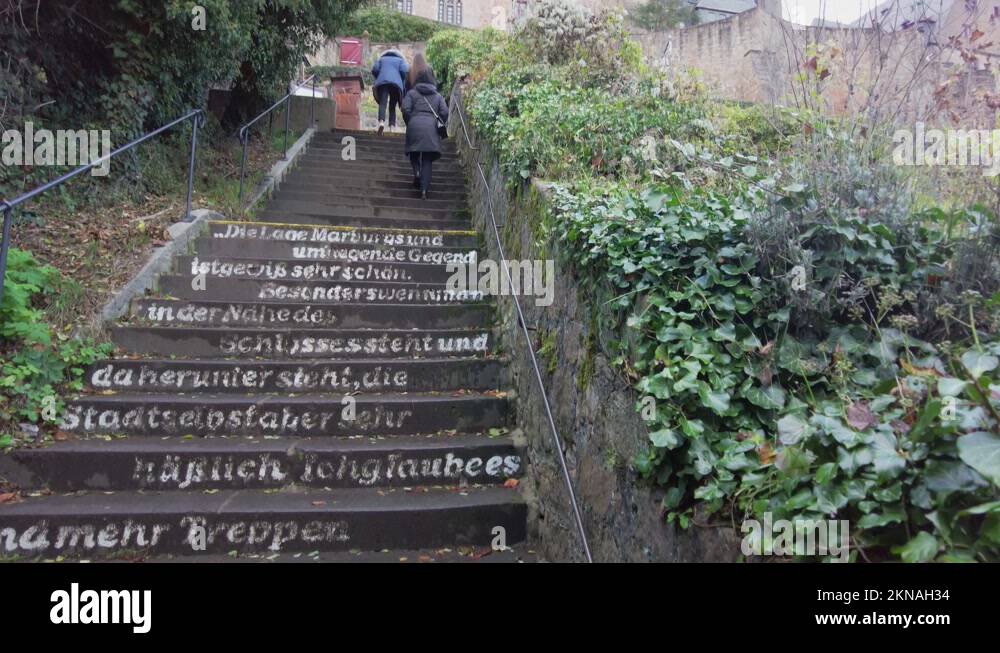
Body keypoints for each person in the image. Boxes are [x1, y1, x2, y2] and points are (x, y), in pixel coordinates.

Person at [401, 58, 448, 200]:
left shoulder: (412, 93)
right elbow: (445, 112)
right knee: (427, 159)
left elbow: (405, 109)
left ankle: (416, 172)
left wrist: (411, 121)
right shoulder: (438, 96)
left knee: (414, 153)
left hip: (414, 124)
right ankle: (424, 191)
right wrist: (438, 123)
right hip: (431, 127)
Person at [371, 49, 409, 134]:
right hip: (396, 84)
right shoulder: (400, 60)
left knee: (383, 103)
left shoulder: (381, 59)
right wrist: (401, 79)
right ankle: (392, 126)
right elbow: (405, 71)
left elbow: (375, 69)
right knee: (392, 105)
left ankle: (381, 122)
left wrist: (380, 75)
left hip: (383, 82)